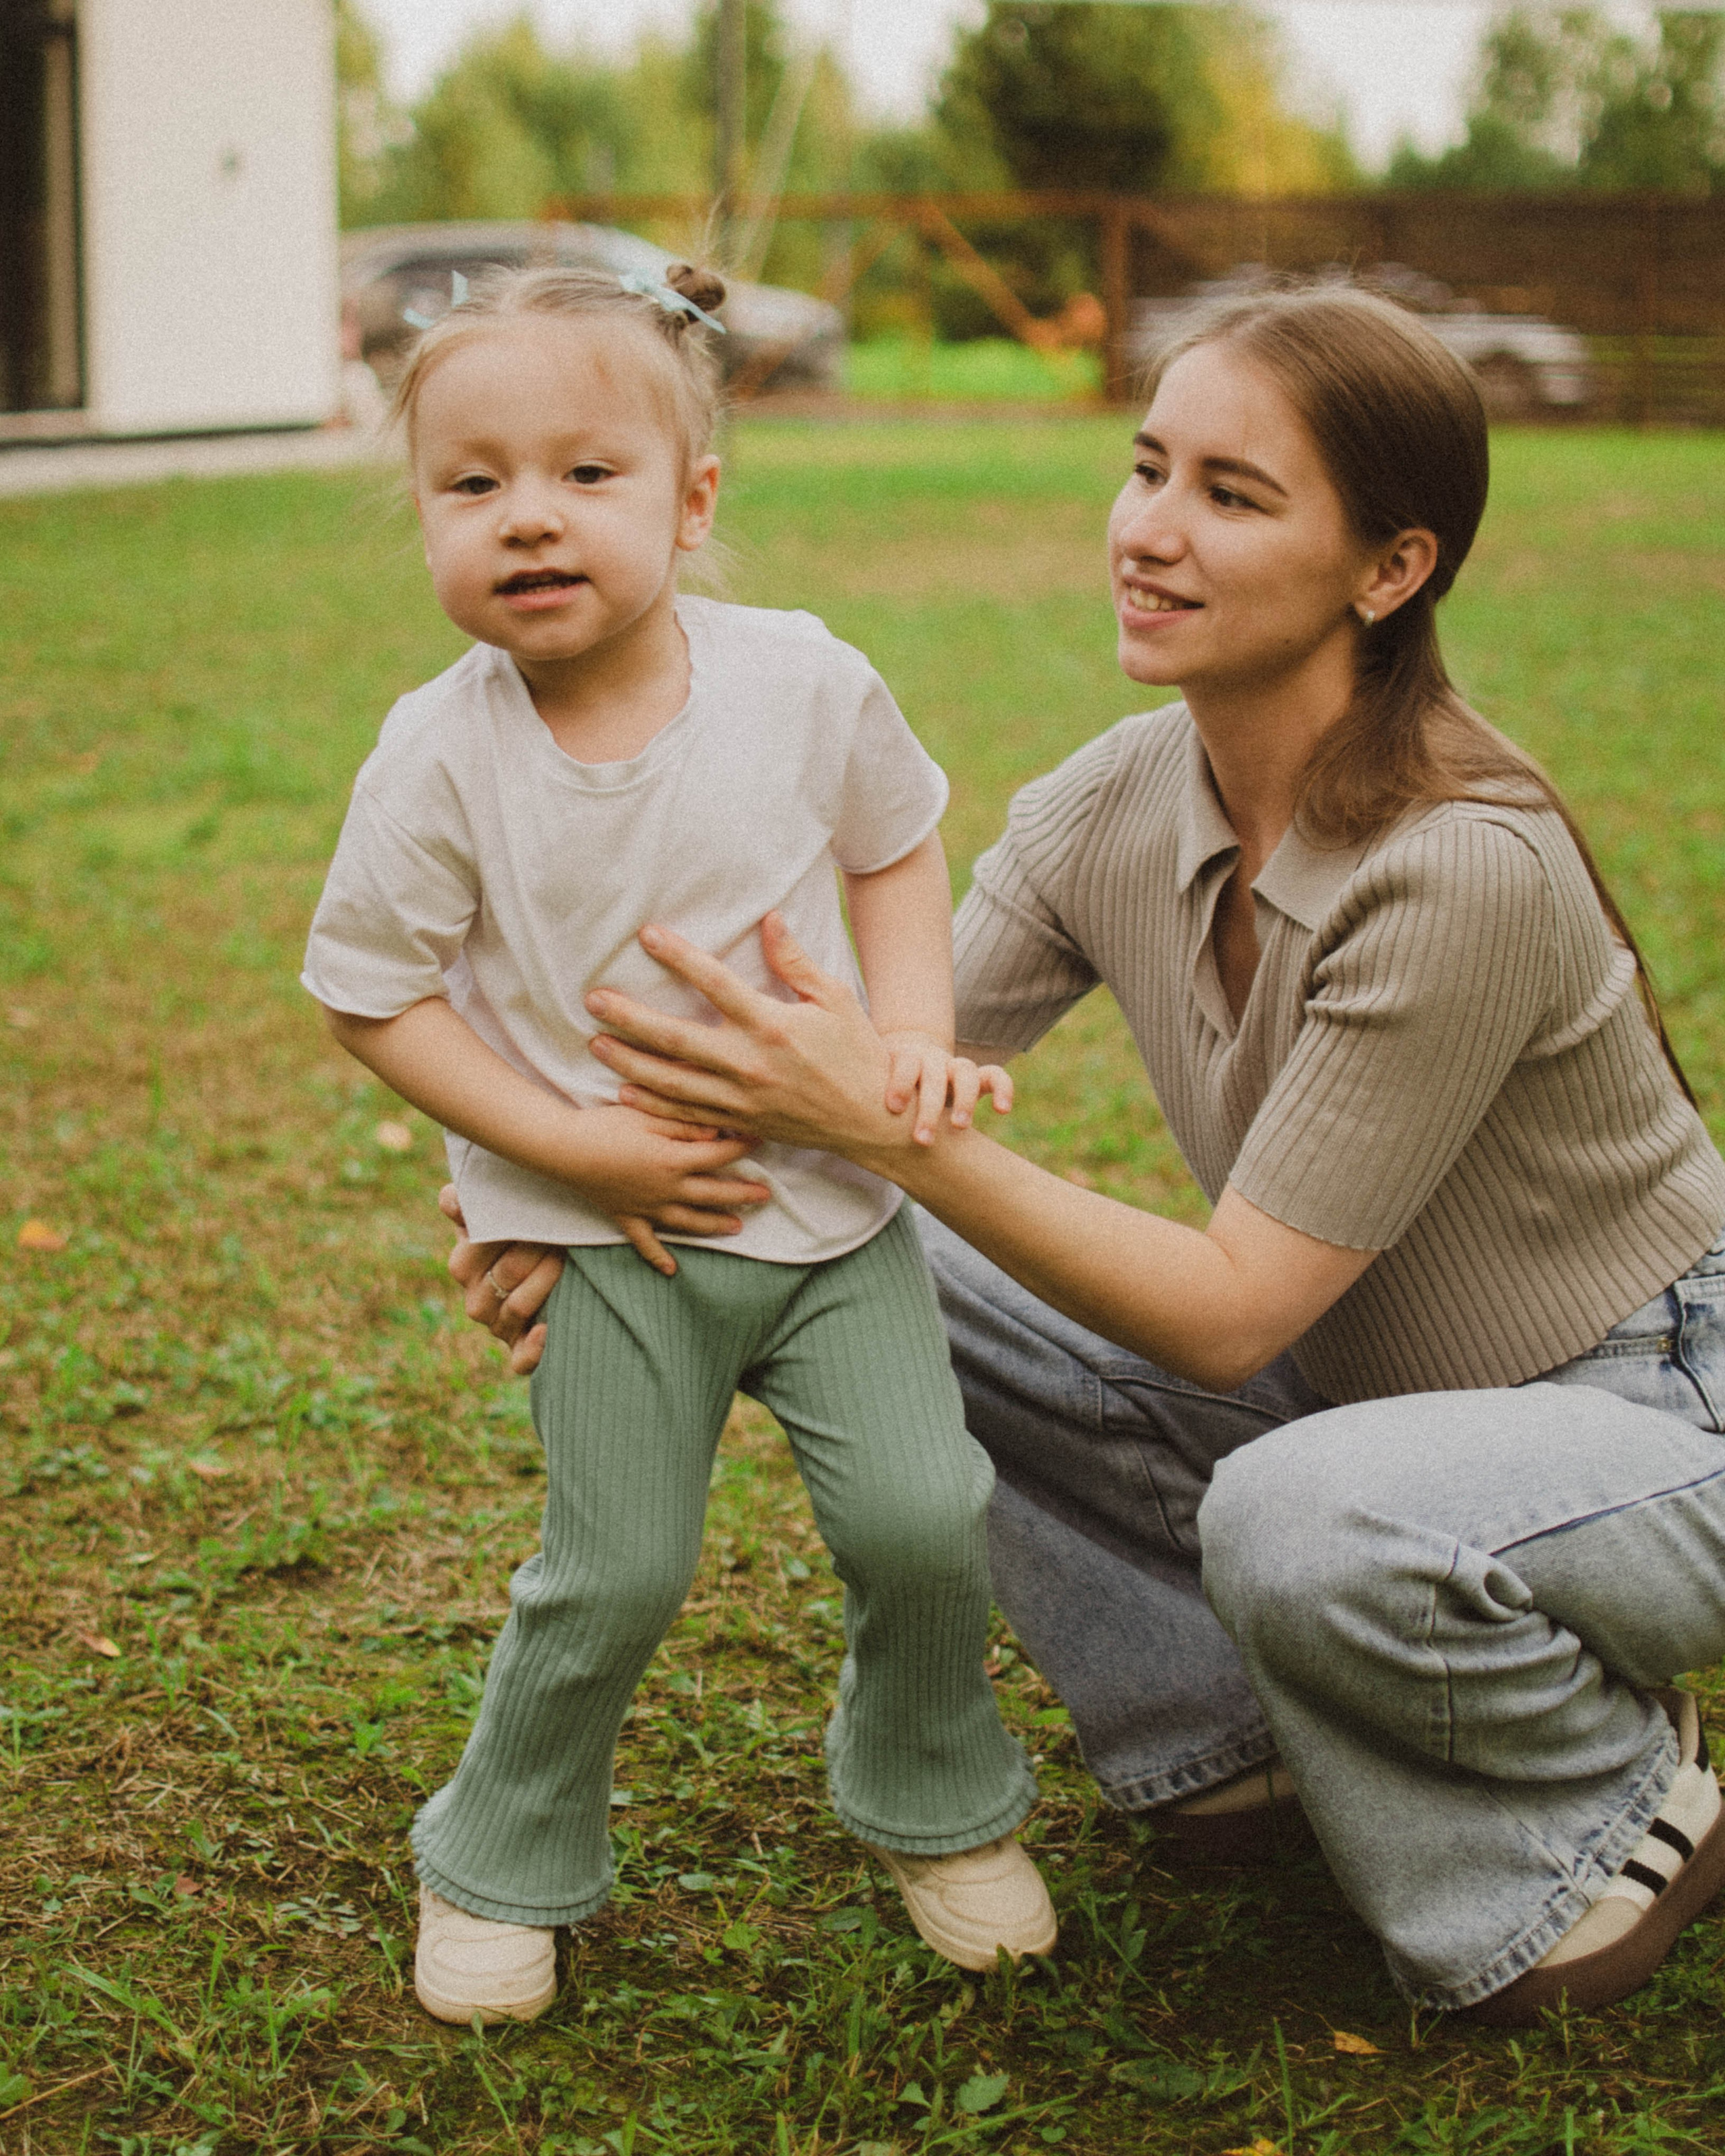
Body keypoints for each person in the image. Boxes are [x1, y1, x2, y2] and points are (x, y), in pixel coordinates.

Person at [460, 284, 1725, 2026]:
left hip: (1652, 1419)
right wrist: (576, 1197)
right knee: (870, 1266)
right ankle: (1223, 1726)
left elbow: (1226, 1311)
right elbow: (812, 1068)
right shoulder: (1115, 803)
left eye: (1231, 495)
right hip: (1359, 1391)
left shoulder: (1463, 869)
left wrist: (873, 1129)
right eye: (1148, 469)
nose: (1150, 530)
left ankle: (1609, 1803)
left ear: (1389, 570)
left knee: (1299, 1512)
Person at [301, 261, 1056, 2026]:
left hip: (835, 1215)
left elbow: (895, 842)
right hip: (610, 1241)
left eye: (586, 473)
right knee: (617, 1570)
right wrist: (573, 1151)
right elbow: (372, 997)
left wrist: (912, 1036)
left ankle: (936, 1802)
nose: (529, 516)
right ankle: (498, 1854)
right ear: (422, 514)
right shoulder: (437, 756)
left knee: (926, 1519)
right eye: (472, 483)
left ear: (693, 500)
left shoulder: (803, 683)